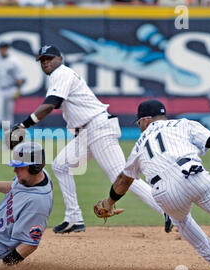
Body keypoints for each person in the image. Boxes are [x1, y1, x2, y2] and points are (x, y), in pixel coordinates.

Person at [10, 45, 173, 234]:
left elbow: (50, 104)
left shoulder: (61, 73)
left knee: (122, 177)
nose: (45, 62)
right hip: (87, 131)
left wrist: (23, 125)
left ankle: (167, 210)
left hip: (98, 127)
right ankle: (74, 218)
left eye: (49, 58)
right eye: (42, 60)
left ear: (60, 59)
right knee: (60, 165)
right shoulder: (59, 76)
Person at [99, 99, 210, 270]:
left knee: (181, 221)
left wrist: (109, 202)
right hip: (194, 174)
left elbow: (124, 181)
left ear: (145, 120)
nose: (139, 127)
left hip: (164, 191)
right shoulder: (184, 124)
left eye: (139, 123)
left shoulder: (138, 146)